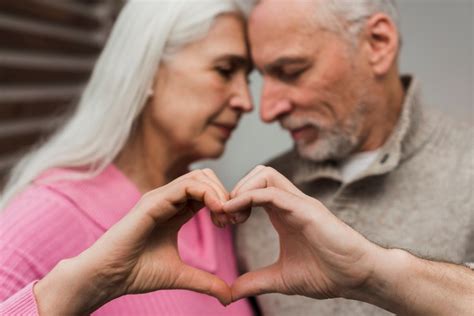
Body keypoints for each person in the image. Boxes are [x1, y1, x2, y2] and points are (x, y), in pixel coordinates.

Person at [0, 0, 255, 315]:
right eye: (225, 70)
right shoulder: (50, 213)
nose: (246, 101)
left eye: (248, 78)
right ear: (148, 67)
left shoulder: (209, 208)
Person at [233, 0, 474, 315]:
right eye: (264, 77)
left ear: (378, 44)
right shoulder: (256, 207)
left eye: (291, 71)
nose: (267, 110)